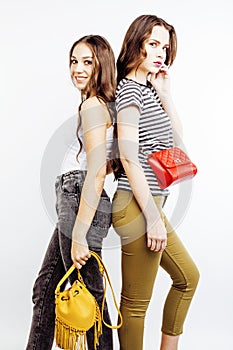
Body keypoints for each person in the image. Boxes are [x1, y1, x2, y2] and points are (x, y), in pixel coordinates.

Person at [112, 14, 200, 350]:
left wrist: (164, 92)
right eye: (153, 44)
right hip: (136, 204)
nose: (160, 52)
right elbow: (129, 157)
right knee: (135, 305)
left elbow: (176, 141)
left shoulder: (147, 90)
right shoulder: (130, 93)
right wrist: (151, 218)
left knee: (187, 278)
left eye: (164, 46)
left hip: (148, 203)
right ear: (136, 44)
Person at [26, 35, 116, 350]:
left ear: (102, 65)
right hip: (78, 197)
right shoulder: (100, 104)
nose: (77, 69)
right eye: (74, 61)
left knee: (91, 294)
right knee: (46, 288)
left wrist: (79, 233)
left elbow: (96, 172)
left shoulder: (93, 106)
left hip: (81, 198)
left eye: (87, 62)